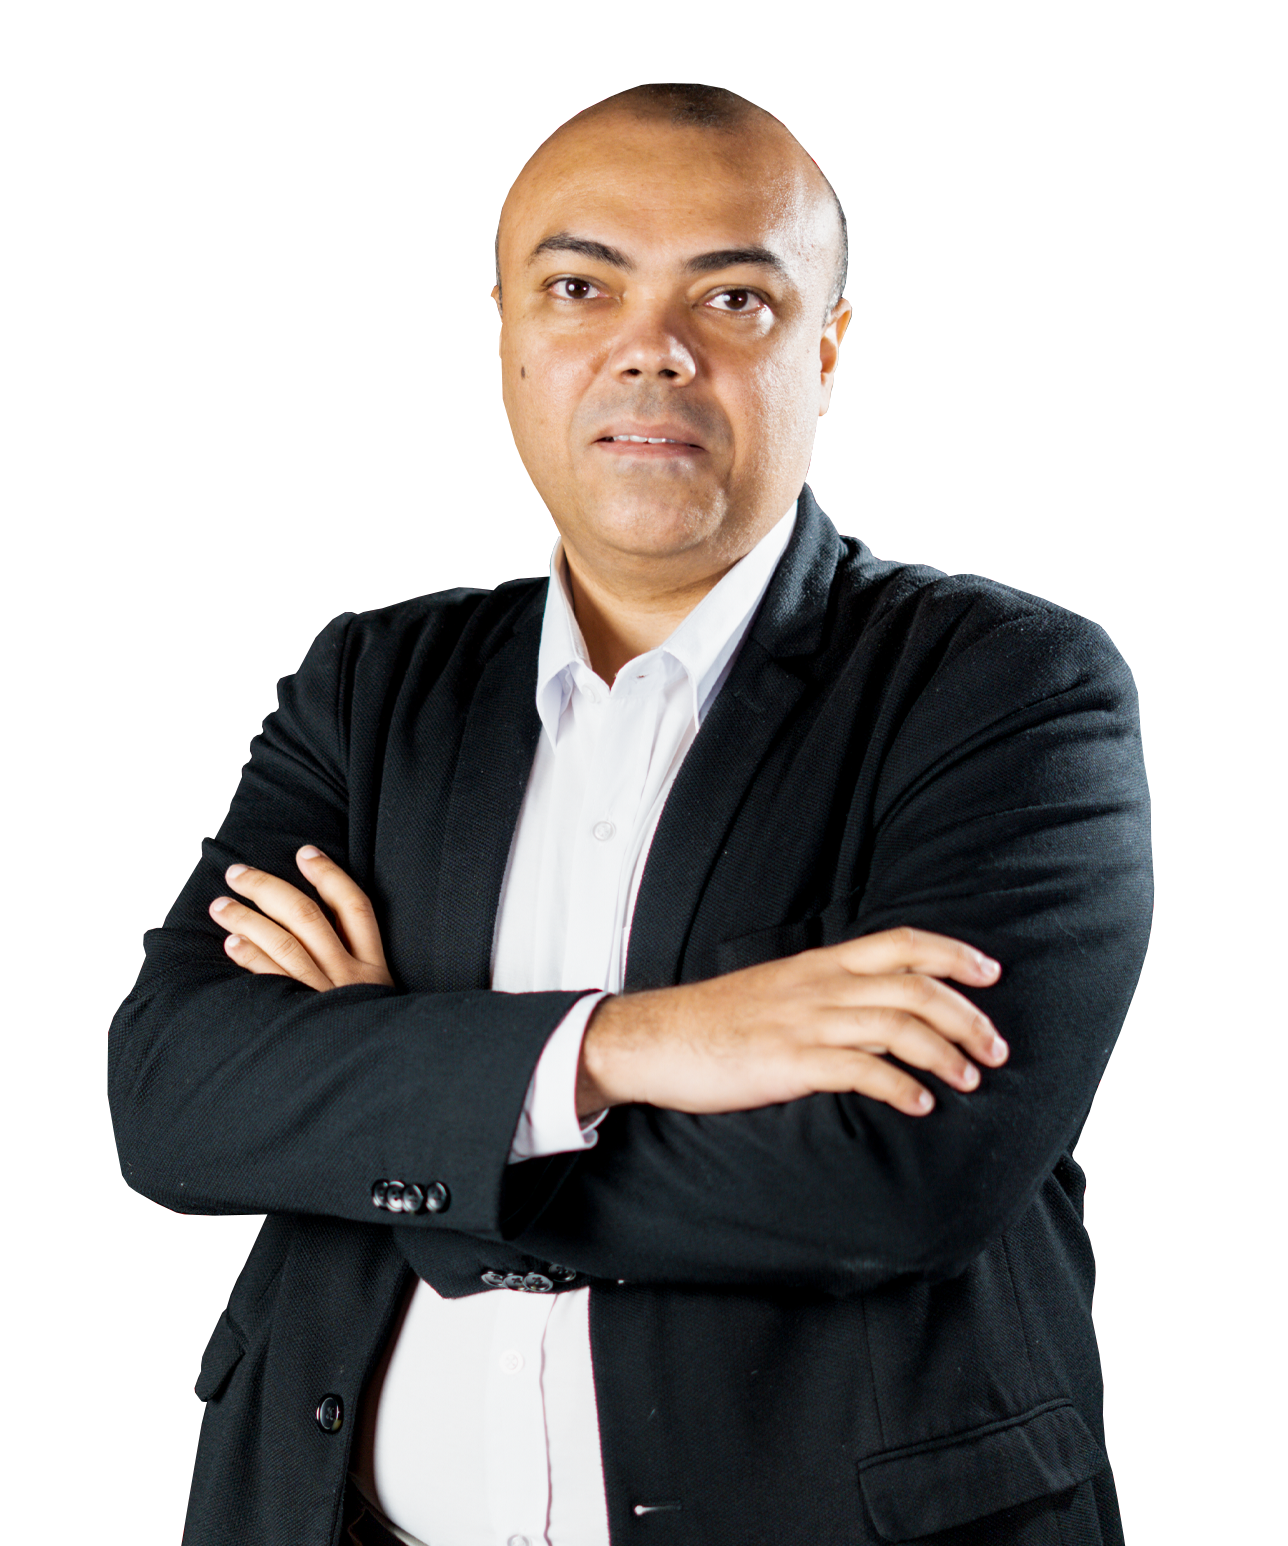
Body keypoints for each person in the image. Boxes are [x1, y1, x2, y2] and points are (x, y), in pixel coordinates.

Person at [107, 82, 1151, 1546]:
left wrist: (392, 1105)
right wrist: (637, 1045)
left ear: (826, 352)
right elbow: (172, 1097)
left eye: (733, 298)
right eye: (581, 287)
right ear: (509, 336)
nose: (651, 348)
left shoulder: (1004, 686)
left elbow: (895, 1179)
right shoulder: (370, 683)